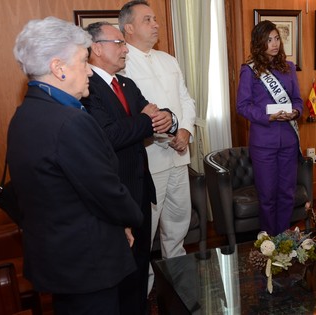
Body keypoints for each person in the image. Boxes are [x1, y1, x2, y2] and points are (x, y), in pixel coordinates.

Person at [8, 17, 143, 314]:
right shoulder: (70, 122)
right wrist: (132, 217)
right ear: (59, 68)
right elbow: (105, 190)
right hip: (87, 262)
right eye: (84, 61)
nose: (90, 73)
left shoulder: (25, 114)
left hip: (57, 258)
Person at [80, 21, 177, 315]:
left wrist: (168, 117)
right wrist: (146, 121)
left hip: (140, 189)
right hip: (113, 195)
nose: (125, 50)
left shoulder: (126, 84)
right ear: (97, 48)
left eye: (124, 43)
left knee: (139, 267)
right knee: (121, 275)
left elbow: (154, 112)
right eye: (119, 43)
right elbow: (109, 135)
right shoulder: (87, 88)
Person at [118, 0, 196, 290]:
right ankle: (147, 291)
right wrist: (167, 134)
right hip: (148, 160)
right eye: (147, 19)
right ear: (128, 28)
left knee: (178, 226)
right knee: (145, 232)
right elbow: (133, 115)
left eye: (155, 19)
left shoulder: (168, 59)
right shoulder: (122, 65)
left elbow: (186, 99)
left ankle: (177, 285)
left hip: (179, 155)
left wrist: (185, 130)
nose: (155, 24)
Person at [236, 20, 303, 236]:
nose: (274, 44)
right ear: (259, 43)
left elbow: (298, 100)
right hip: (263, 143)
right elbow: (242, 106)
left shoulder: (289, 67)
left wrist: (296, 112)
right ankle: (269, 243)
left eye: (276, 39)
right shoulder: (249, 70)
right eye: (268, 40)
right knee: (267, 196)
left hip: (289, 141)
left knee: (287, 193)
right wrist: (268, 116)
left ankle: (283, 238)